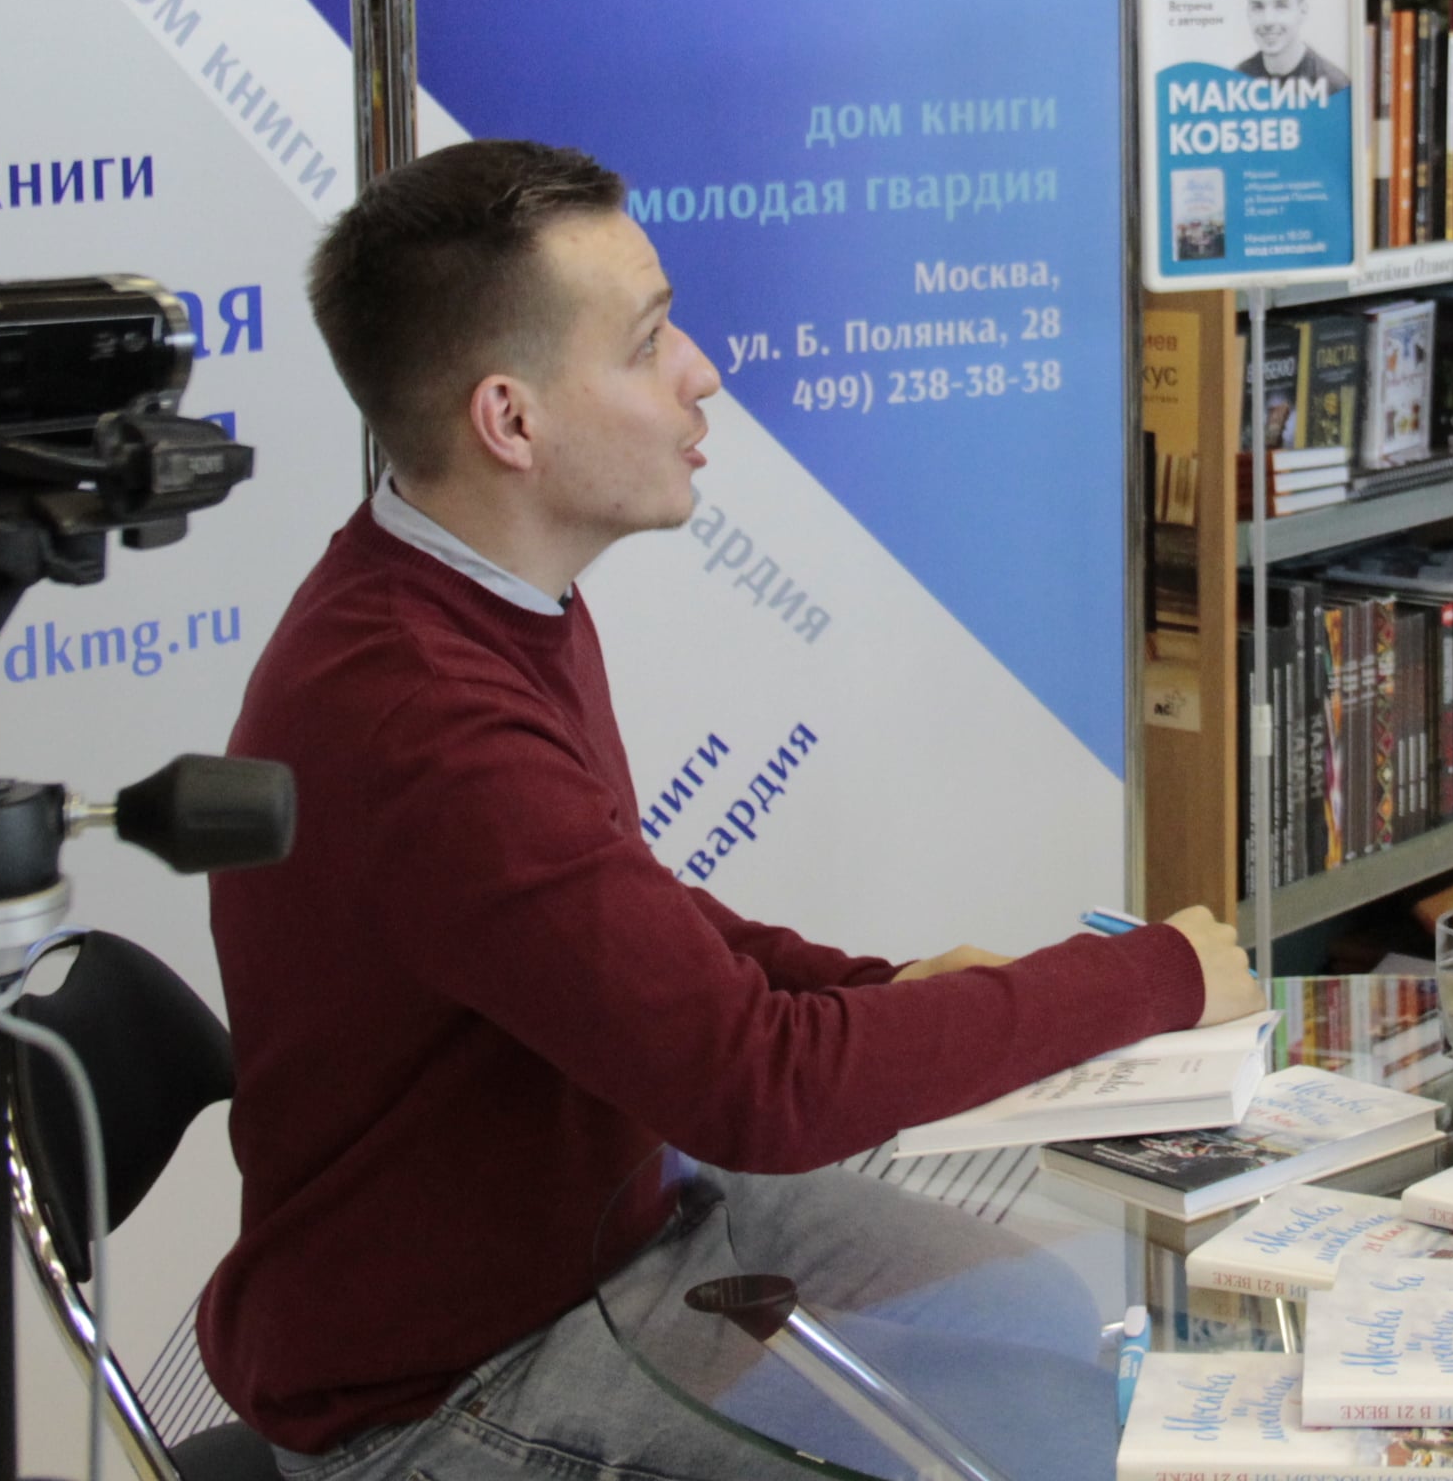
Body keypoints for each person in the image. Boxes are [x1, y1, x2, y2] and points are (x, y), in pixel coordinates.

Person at [203, 138, 1265, 1477]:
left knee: (1041, 1331)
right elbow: (759, 1089)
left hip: (625, 1227)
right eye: (647, 342)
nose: (701, 370)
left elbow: (612, 911)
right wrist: (1149, 979)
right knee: (993, 1445)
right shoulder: (423, 715)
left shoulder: (476, 594)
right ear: (510, 423)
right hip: (446, 1385)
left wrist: (874, 986)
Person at [1234, 0, 1349, 96]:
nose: (1268, 20)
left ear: (1302, 11)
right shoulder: (1236, 82)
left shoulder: (1335, 87)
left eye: (1281, 6)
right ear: (1248, 12)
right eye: (1258, 6)